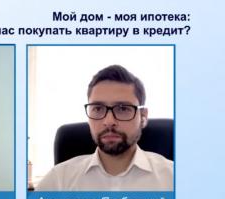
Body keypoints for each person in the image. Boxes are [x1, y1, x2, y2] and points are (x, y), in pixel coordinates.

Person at [36, 65, 173, 191]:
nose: (109, 121)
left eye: (122, 108)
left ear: (143, 116)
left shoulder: (173, 180)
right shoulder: (59, 181)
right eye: (98, 108)